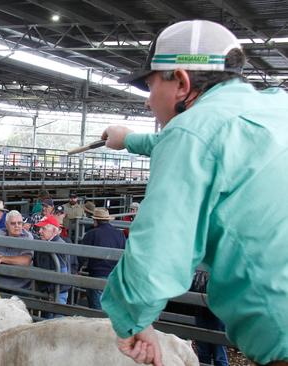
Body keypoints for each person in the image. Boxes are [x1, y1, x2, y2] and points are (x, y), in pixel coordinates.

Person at [99, 20, 288, 365]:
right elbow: (211, 145)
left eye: (150, 85)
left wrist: (133, 320)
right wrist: (128, 140)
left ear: (181, 82)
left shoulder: (191, 131)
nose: (147, 103)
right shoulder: (276, 109)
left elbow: (158, 252)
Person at [79, 208, 125, 310]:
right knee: (112, 307)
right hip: (115, 276)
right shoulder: (120, 234)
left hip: (98, 274)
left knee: (97, 308)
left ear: (95, 221)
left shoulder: (91, 234)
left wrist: (77, 269)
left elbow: (81, 254)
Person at [0, 210, 34, 290]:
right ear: (6, 225)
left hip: (19, 285)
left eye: (19, 223)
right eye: (13, 223)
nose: (17, 226)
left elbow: (26, 260)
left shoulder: (27, 236)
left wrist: (0, 259)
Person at [33, 215, 78, 309]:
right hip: (49, 290)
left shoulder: (58, 247)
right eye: (40, 228)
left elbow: (62, 274)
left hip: (56, 292)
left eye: (43, 228)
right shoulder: (45, 243)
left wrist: (52, 291)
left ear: (54, 231)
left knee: (55, 318)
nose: (40, 231)